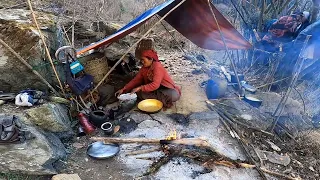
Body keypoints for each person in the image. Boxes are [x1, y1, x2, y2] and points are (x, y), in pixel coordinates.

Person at [115, 49, 181, 108]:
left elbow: (155, 85)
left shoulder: (157, 67)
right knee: (139, 93)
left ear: (151, 59)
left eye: (143, 60)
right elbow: (136, 80)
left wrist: (140, 88)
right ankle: (156, 98)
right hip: (155, 90)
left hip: (165, 88)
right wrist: (124, 89)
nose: (142, 62)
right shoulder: (144, 68)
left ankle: (157, 98)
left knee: (174, 96)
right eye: (141, 60)